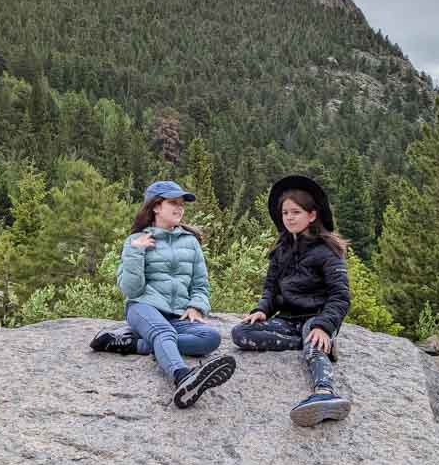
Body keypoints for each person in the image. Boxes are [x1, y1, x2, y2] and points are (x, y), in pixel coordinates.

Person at [90, 180, 235, 409]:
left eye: (181, 204)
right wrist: (136, 252)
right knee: (163, 332)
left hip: (177, 315)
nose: (179, 208)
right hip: (143, 307)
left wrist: (196, 306)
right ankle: (182, 377)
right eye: (173, 203)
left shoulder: (190, 241)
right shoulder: (135, 241)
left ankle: (133, 344)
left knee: (210, 338)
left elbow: (200, 283)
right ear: (156, 207)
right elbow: (131, 290)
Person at [231, 174, 351, 427]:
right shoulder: (280, 250)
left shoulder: (328, 251)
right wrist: (262, 310)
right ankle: (315, 344)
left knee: (314, 339)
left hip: (317, 318)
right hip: (287, 321)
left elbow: (340, 297)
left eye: (296, 212)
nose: (289, 218)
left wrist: (323, 326)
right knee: (241, 333)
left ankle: (325, 393)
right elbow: (271, 290)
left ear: (312, 215)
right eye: (285, 213)